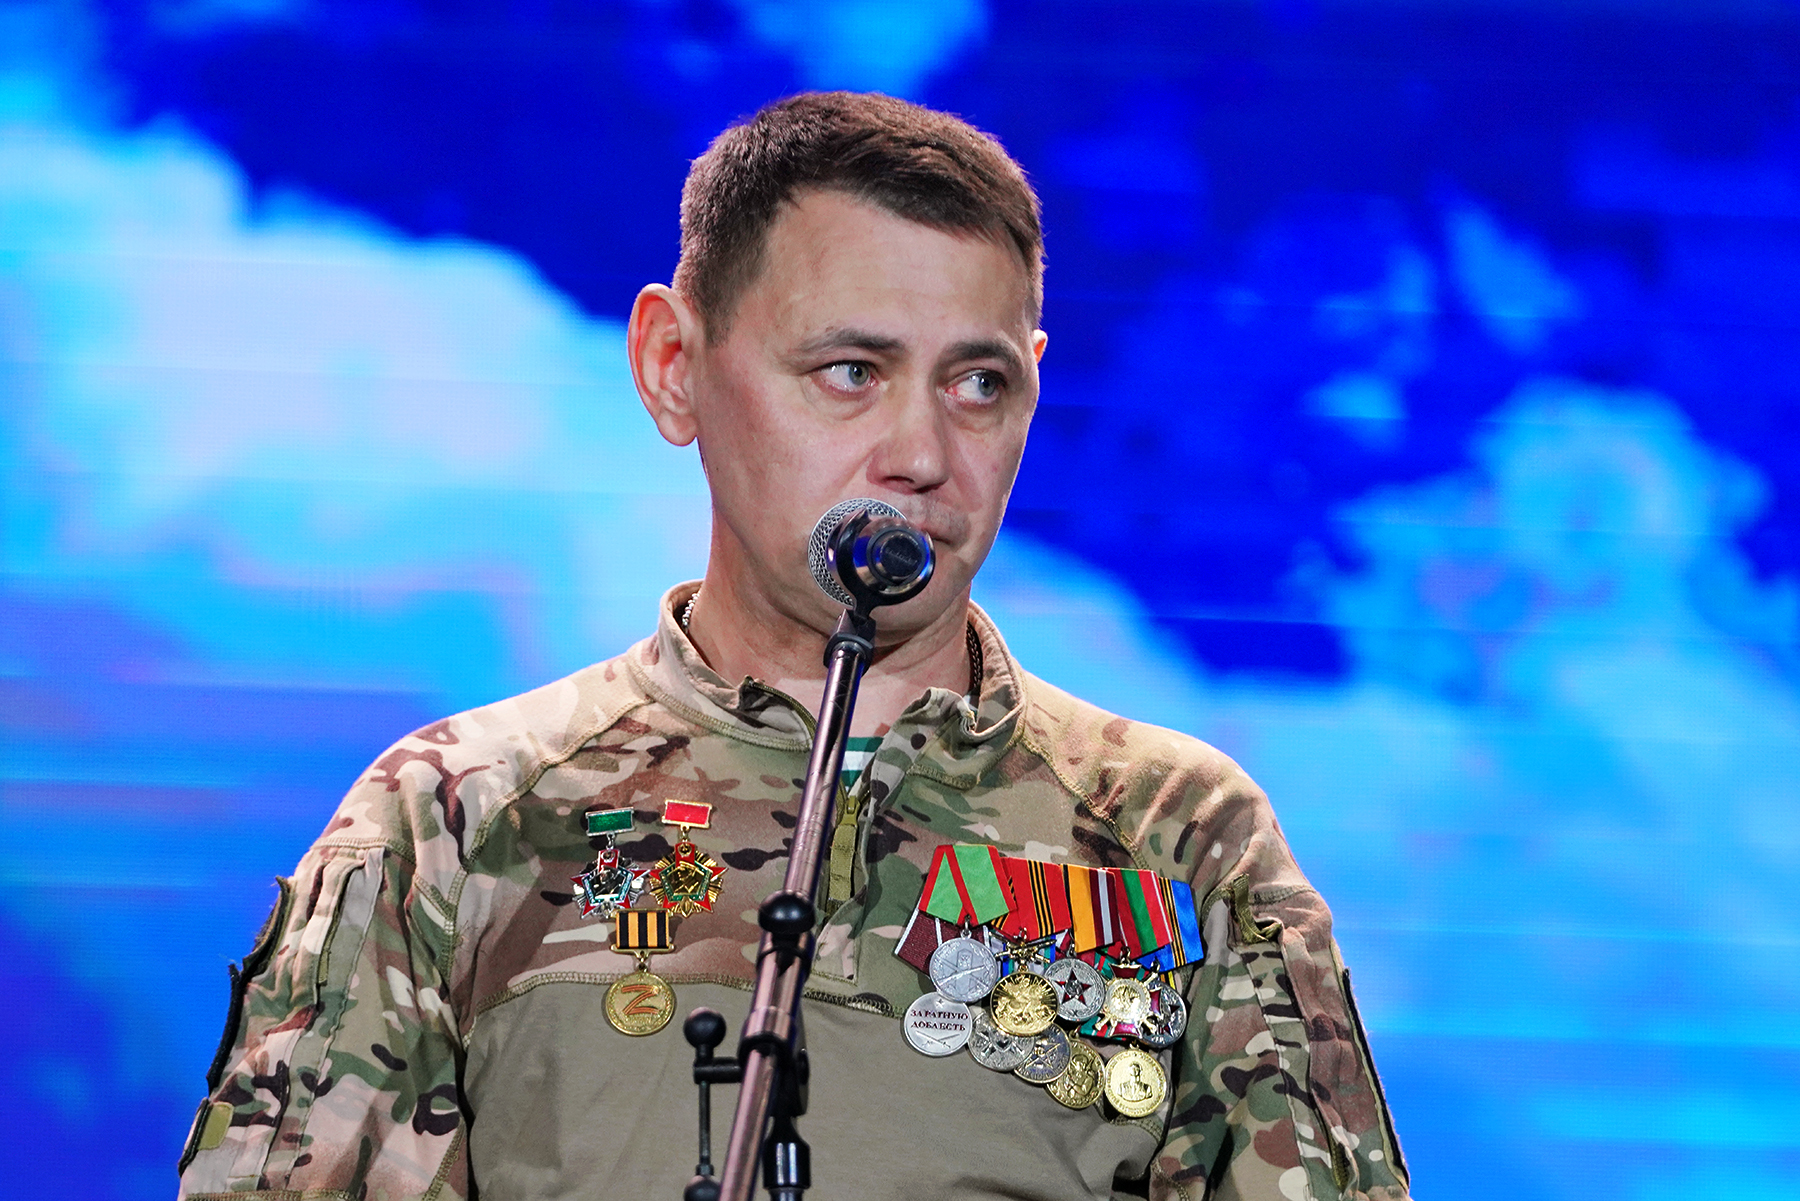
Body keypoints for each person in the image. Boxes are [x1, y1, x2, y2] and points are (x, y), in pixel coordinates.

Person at [176, 91, 1411, 1201]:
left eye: (979, 384)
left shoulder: (1181, 834)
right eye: (851, 371)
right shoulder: (455, 812)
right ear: (674, 367)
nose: (921, 455)